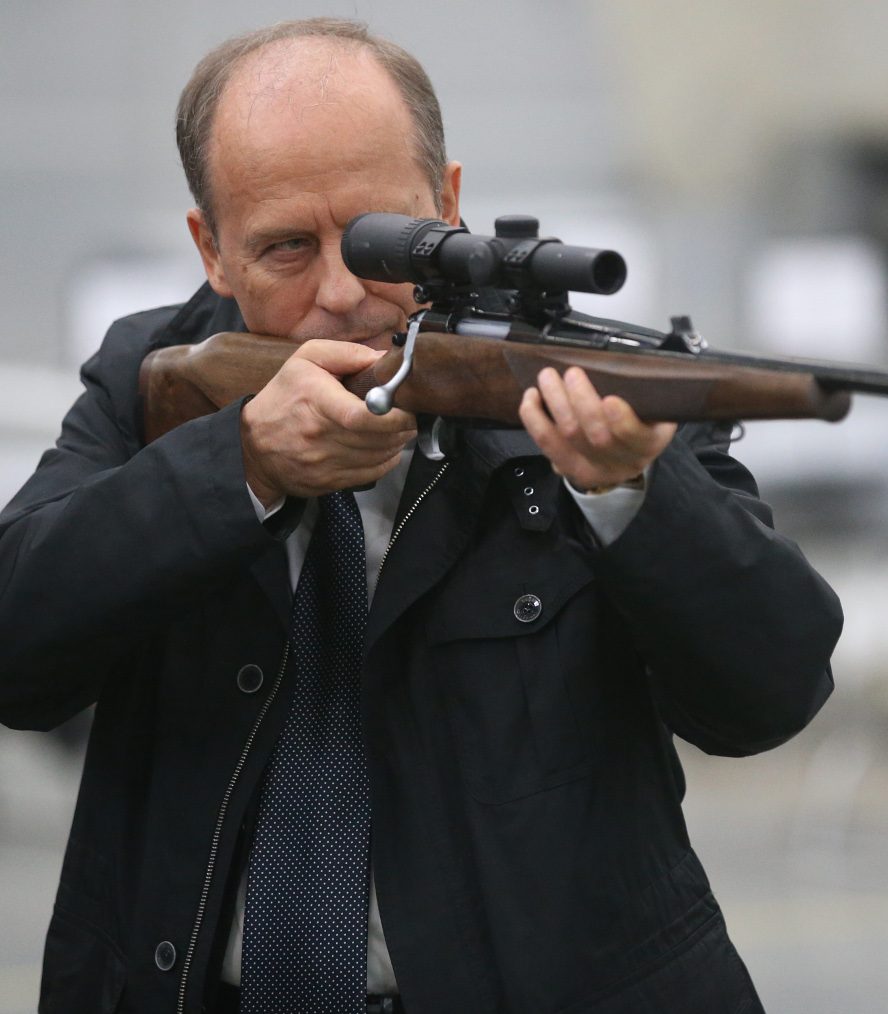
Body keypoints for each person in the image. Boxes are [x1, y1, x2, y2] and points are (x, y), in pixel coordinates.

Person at [0, 17, 841, 1014]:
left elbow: (773, 693)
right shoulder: (157, 381)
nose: (342, 293)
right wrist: (237, 470)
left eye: (376, 238)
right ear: (210, 249)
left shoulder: (606, 388)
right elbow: (19, 652)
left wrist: (635, 493)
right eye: (284, 249)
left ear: (445, 201)